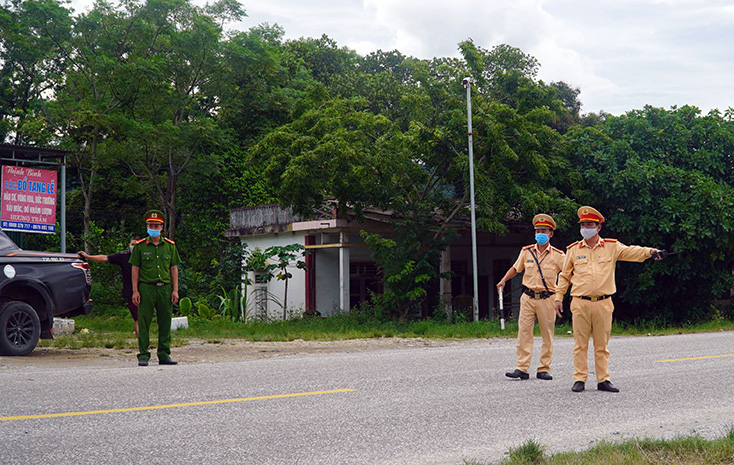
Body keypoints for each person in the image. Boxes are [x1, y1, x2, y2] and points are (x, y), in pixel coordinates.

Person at [554, 206, 662, 393]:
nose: (586, 228)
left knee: (601, 345)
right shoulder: (573, 250)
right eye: (583, 224)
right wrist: (558, 297)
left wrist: (651, 252)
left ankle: (603, 379)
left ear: (598, 227)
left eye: (590, 224)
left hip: (603, 302)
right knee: (580, 344)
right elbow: (564, 276)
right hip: (579, 302)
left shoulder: (611, 247)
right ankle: (579, 379)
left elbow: (631, 252)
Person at [497, 214, 565, 381]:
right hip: (527, 297)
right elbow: (515, 268)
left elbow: (567, 273)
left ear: (551, 234)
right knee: (524, 332)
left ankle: (543, 368)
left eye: (543, 231)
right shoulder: (526, 251)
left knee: (547, 335)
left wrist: (560, 295)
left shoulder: (558, 255)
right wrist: (504, 280)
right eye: (537, 231)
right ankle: (522, 368)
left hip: (547, 298)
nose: (540, 234)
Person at [130, 209, 181, 367]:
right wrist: (135, 290)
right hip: (146, 288)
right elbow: (135, 269)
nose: (153, 228)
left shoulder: (170, 246)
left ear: (161, 227)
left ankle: (164, 354)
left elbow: (173, 268)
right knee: (144, 322)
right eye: (150, 225)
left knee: (165, 322)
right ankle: (143, 355)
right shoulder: (140, 246)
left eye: (156, 225)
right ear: (147, 226)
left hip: (165, 288)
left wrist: (175, 290)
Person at [78, 236, 142, 337]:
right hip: (132, 292)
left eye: (136, 245)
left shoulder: (147, 256)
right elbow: (104, 257)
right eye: (132, 244)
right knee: (138, 319)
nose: (133, 247)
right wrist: (88, 256)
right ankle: (142, 344)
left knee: (146, 318)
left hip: (147, 290)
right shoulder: (123, 256)